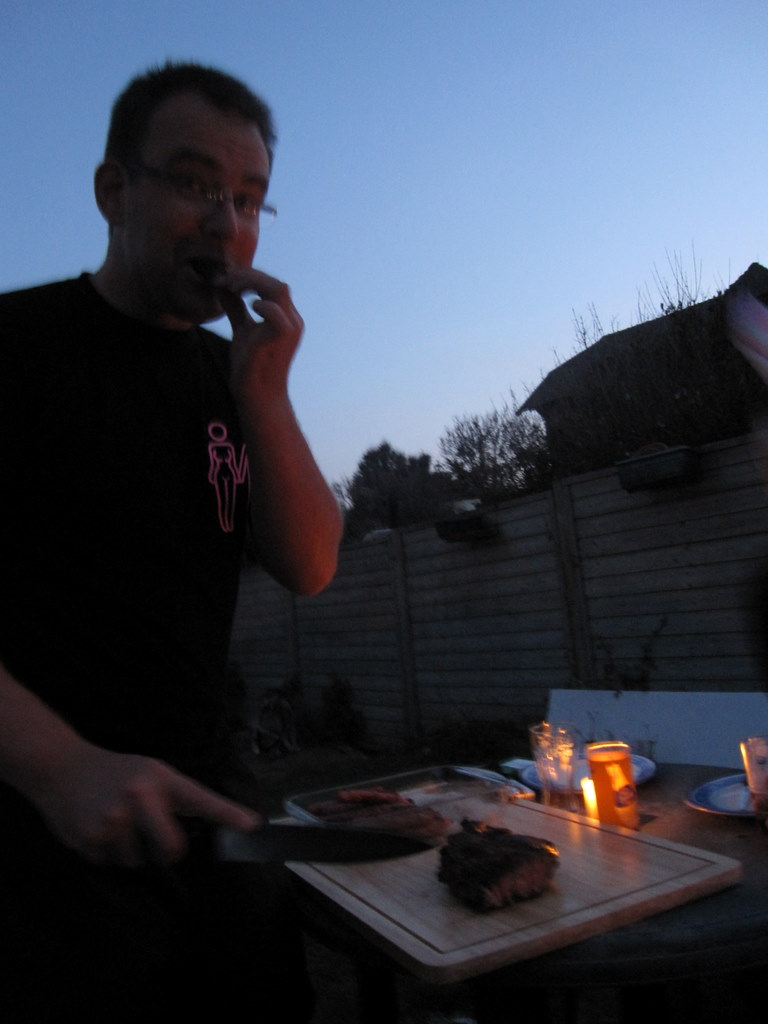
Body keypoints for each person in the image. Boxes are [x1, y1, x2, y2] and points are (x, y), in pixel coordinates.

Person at [0, 61, 343, 1020]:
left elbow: (311, 565)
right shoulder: (18, 349)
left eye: (249, 199)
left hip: (213, 820)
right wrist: (58, 766)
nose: (226, 224)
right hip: (39, 841)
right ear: (114, 190)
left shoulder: (231, 377)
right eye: (195, 184)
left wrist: (264, 393)